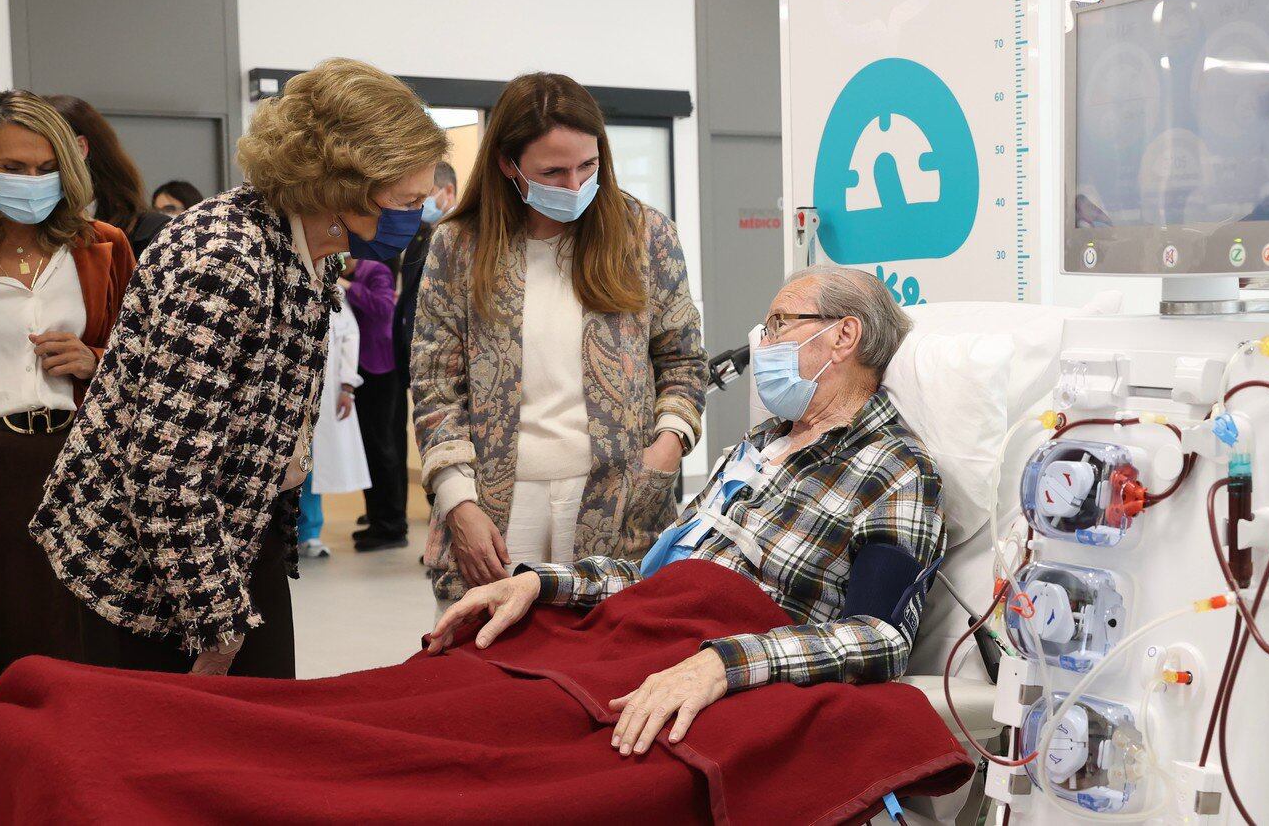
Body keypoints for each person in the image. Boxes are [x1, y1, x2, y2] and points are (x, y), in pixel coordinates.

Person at [31, 58, 448, 678]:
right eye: (406, 201)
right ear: (339, 183)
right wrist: (218, 627)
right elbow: (166, 468)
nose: (414, 219)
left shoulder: (310, 246)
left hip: (234, 537)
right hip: (149, 571)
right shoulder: (223, 258)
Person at [429, 266, 944, 755]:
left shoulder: (895, 470)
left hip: (712, 661)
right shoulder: (760, 447)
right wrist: (539, 583)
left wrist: (725, 664)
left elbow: (880, 637)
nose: (761, 344)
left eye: (778, 324)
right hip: (643, 633)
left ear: (844, 335)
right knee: (457, 677)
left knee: (498, 734)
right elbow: (655, 575)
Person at [411, 73, 706, 603]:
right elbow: (436, 387)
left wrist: (665, 449)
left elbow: (683, 359)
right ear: (508, 165)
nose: (574, 187)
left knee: (605, 667)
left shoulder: (643, 236)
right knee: (489, 663)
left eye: (587, 167)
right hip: (496, 508)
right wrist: (459, 502)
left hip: (618, 501)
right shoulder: (459, 246)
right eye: (553, 172)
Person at [0, 90, 134, 692]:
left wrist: (95, 360)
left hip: (76, 461)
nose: (32, 182)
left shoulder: (102, 246)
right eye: (13, 168)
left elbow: (144, 367)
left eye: (45, 169)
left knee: (78, 633)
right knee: (0, 626)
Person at [389, 160, 454, 542]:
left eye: (425, 197)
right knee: (430, 443)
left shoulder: (455, 238)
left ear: (447, 192)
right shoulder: (419, 235)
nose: (420, 205)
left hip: (445, 360)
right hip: (416, 357)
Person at [46, 95, 170, 259]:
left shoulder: (148, 232)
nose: (30, 176)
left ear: (80, 148)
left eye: (46, 164)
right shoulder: (25, 231)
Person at [298, 278, 369, 559]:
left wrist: (348, 387)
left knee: (310, 465)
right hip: (287, 391)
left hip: (323, 394)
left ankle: (309, 533)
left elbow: (350, 336)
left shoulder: (332, 291)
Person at [343, 256, 408, 551]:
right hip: (363, 370)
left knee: (383, 448)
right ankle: (377, 519)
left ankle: (392, 526)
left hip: (381, 368)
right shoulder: (360, 273)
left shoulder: (376, 270)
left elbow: (384, 309)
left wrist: (345, 286)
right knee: (369, 447)